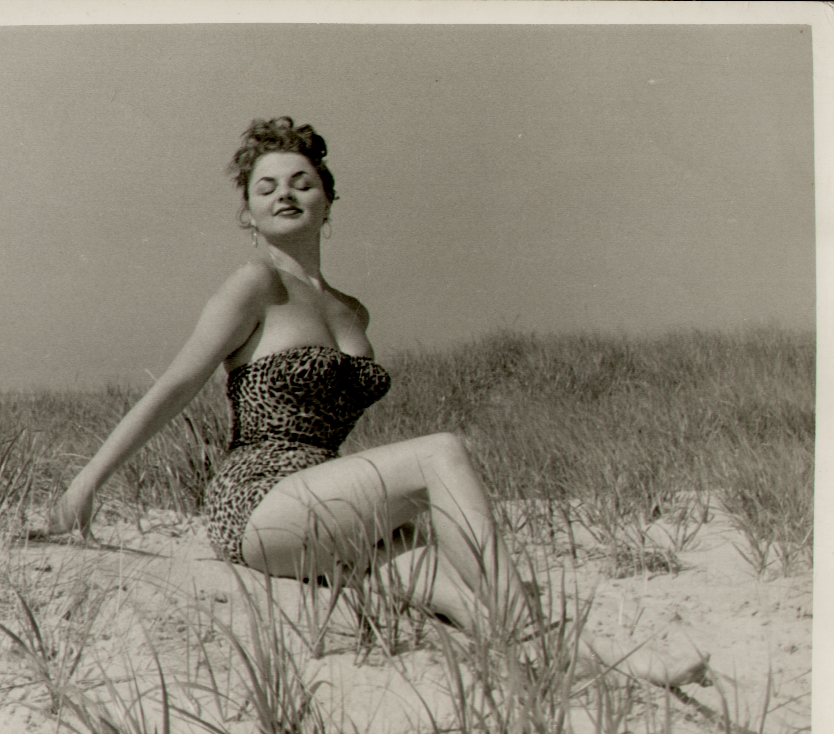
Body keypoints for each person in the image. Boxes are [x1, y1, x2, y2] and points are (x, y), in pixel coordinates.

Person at [51, 117, 709, 689]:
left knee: (450, 581)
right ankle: (527, 629)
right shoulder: (254, 284)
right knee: (441, 452)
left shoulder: (352, 311)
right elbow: (176, 384)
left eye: (302, 182)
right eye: (266, 187)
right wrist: (86, 485)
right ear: (246, 214)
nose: (285, 194)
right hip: (258, 501)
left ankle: (592, 664)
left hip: (326, 506)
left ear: (328, 202)